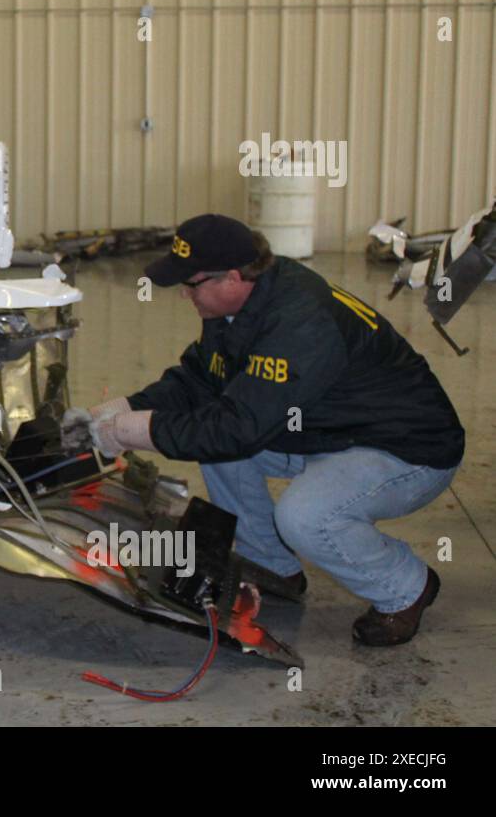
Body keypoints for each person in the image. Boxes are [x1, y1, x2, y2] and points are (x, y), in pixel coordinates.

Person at [76, 213, 464, 646]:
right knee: (217, 438)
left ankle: (405, 587)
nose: (185, 294)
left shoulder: (299, 324)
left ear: (235, 277)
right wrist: (126, 406)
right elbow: (203, 378)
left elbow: (237, 428)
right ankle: (273, 565)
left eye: (192, 283)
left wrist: (134, 431)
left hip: (407, 450)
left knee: (304, 515)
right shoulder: (241, 303)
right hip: (333, 428)